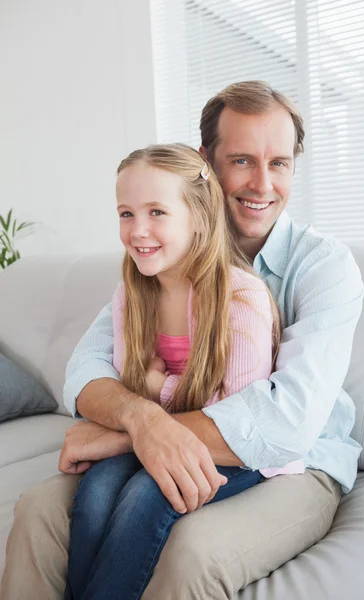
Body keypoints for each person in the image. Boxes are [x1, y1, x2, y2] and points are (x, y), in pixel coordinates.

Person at [0, 81, 364, 600]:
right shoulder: (160, 260)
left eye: (279, 163)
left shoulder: (324, 267)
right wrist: (141, 420)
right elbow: (85, 372)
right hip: (188, 439)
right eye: (241, 160)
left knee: (189, 551)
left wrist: (133, 429)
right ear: (204, 163)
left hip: (300, 464)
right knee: (38, 511)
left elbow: (286, 426)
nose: (263, 183)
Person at [65, 142, 303, 600]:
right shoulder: (131, 296)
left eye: (156, 212)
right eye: (126, 214)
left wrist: (159, 387)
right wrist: (145, 402)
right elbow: (126, 386)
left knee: (144, 499)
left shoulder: (240, 297)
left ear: (197, 214)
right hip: (172, 434)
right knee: (94, 496)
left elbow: (232, 416)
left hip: (240, 451)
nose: (138, 231)